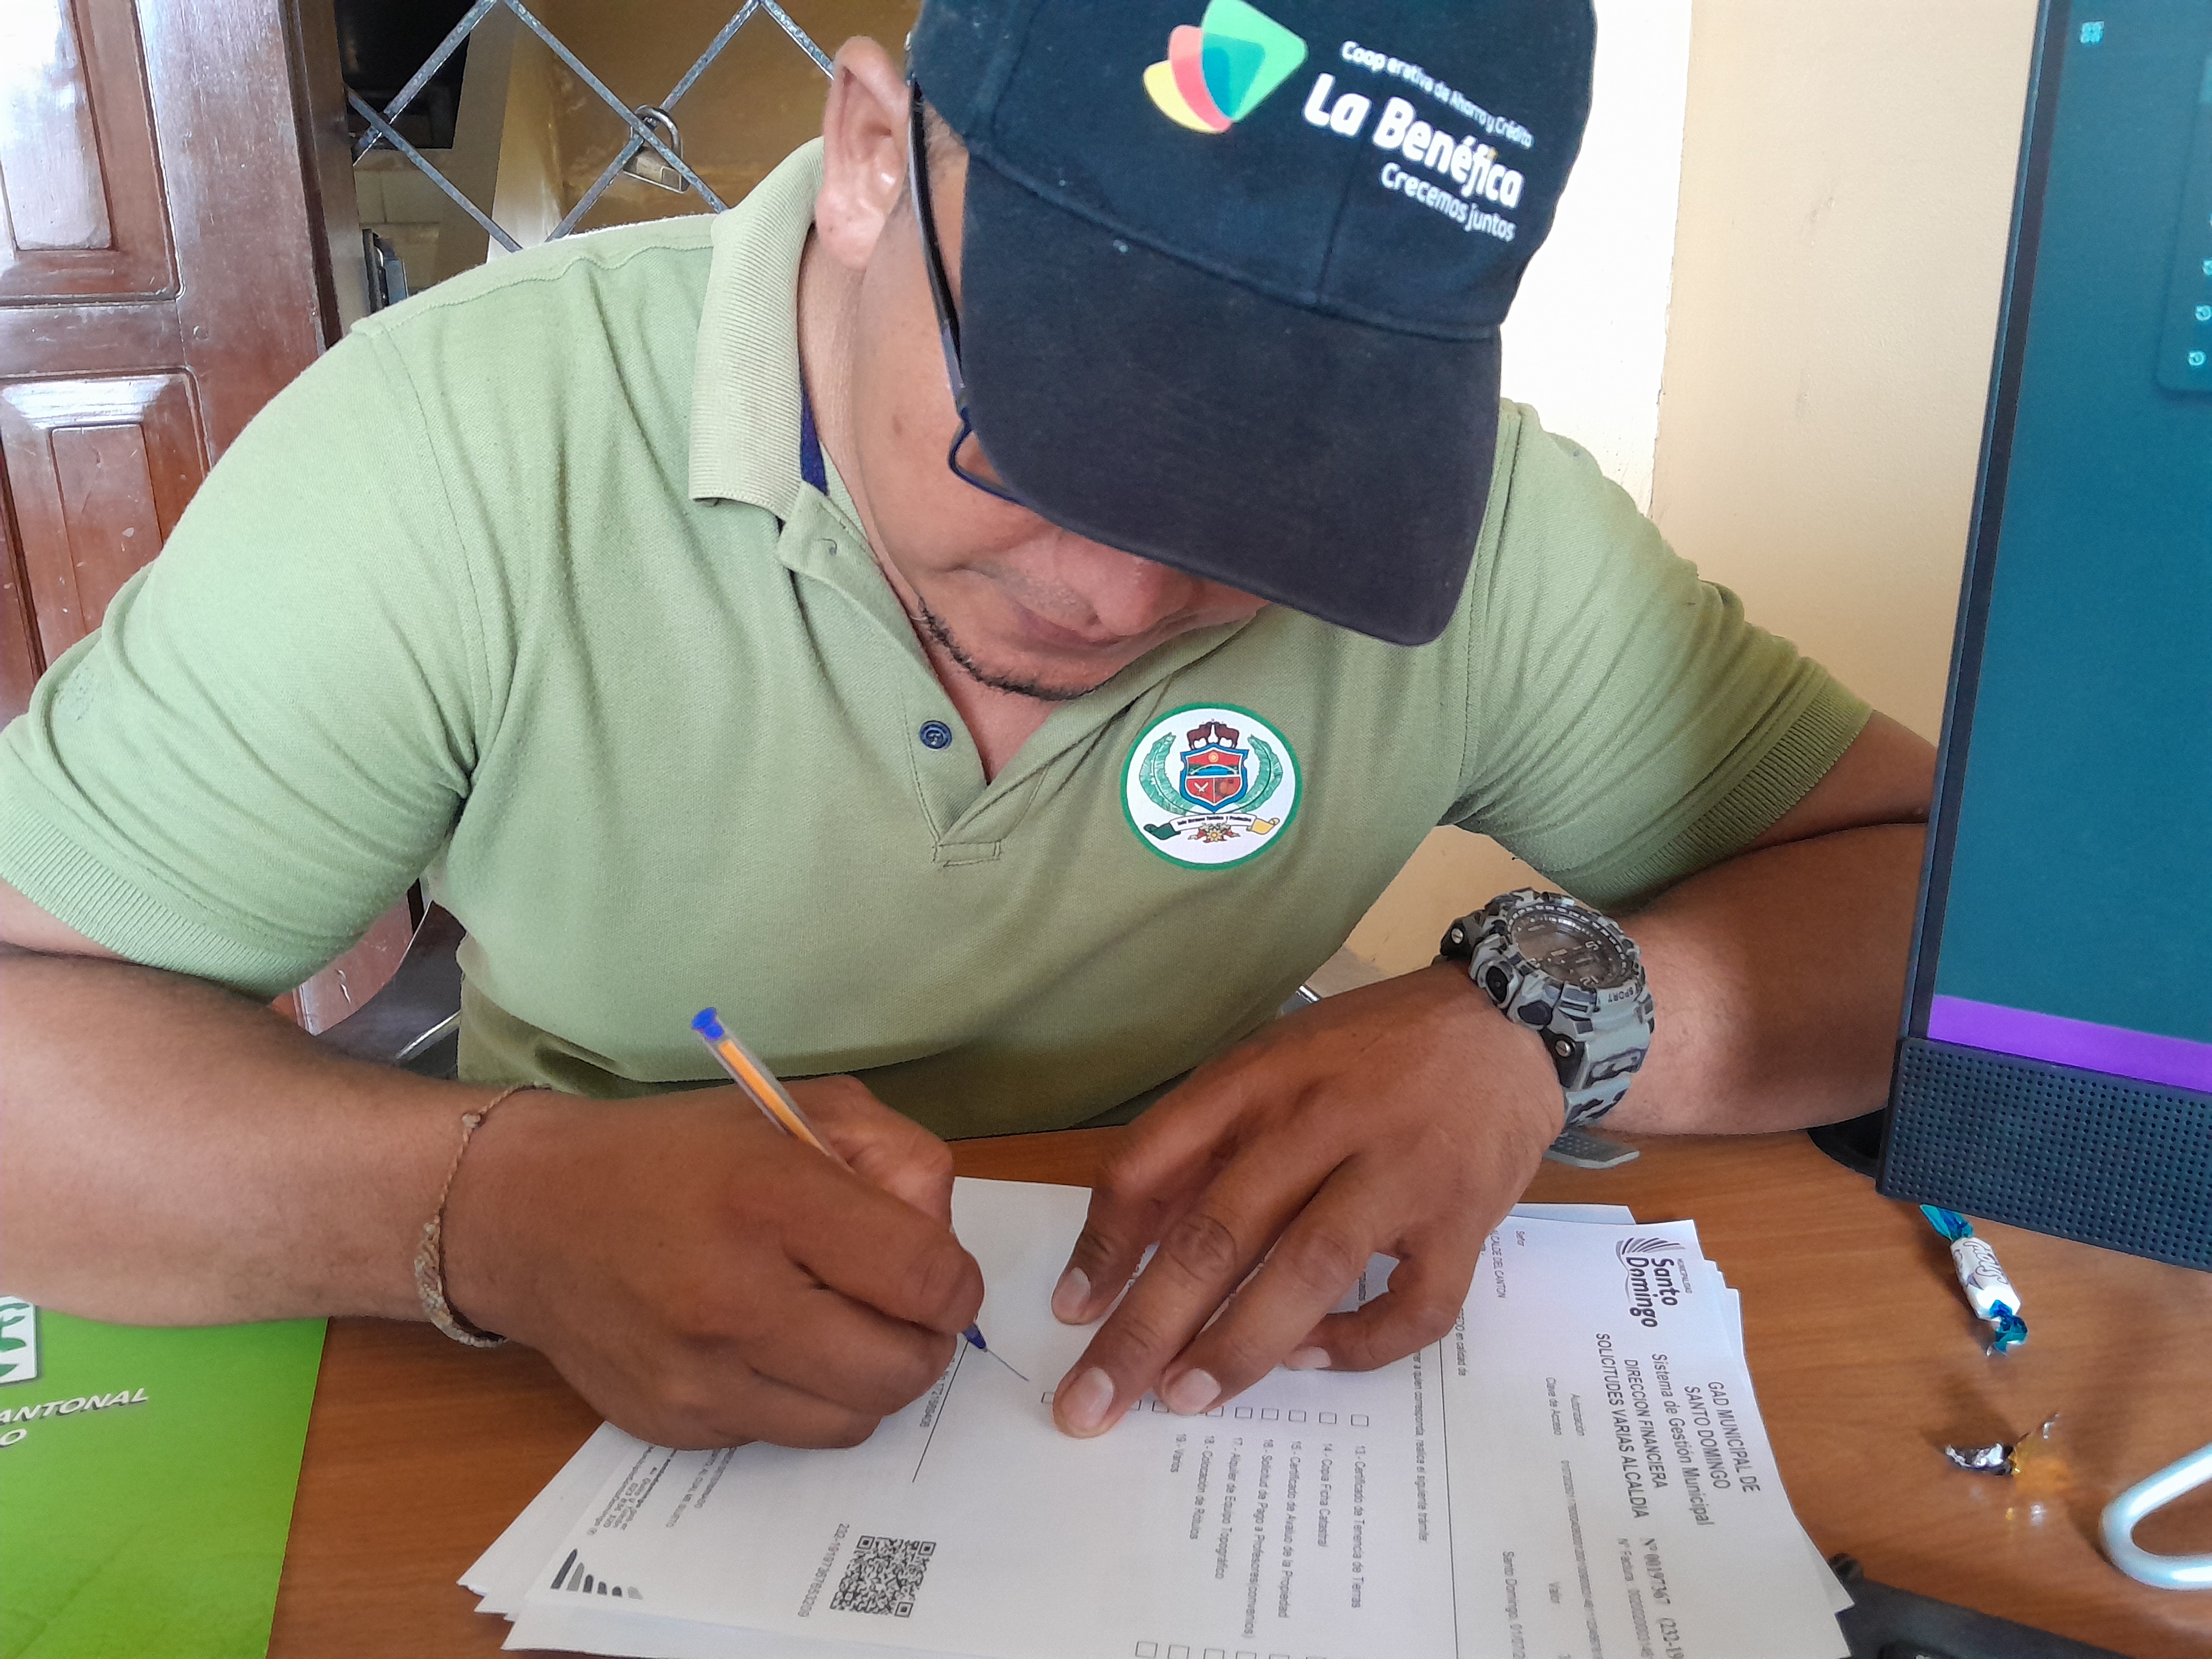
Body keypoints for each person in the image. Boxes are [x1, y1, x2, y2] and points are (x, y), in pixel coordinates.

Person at [0, 0, 1931, 1453]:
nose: (1116, 599)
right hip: (558, 1410)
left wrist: (1546, 1019)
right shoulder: (461, 452)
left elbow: (1938, 898)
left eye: (1268, 521)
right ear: (868, 159)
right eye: (1044, 437)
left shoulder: (1507, 542)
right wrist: (489, 1209)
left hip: (1175, 1431)